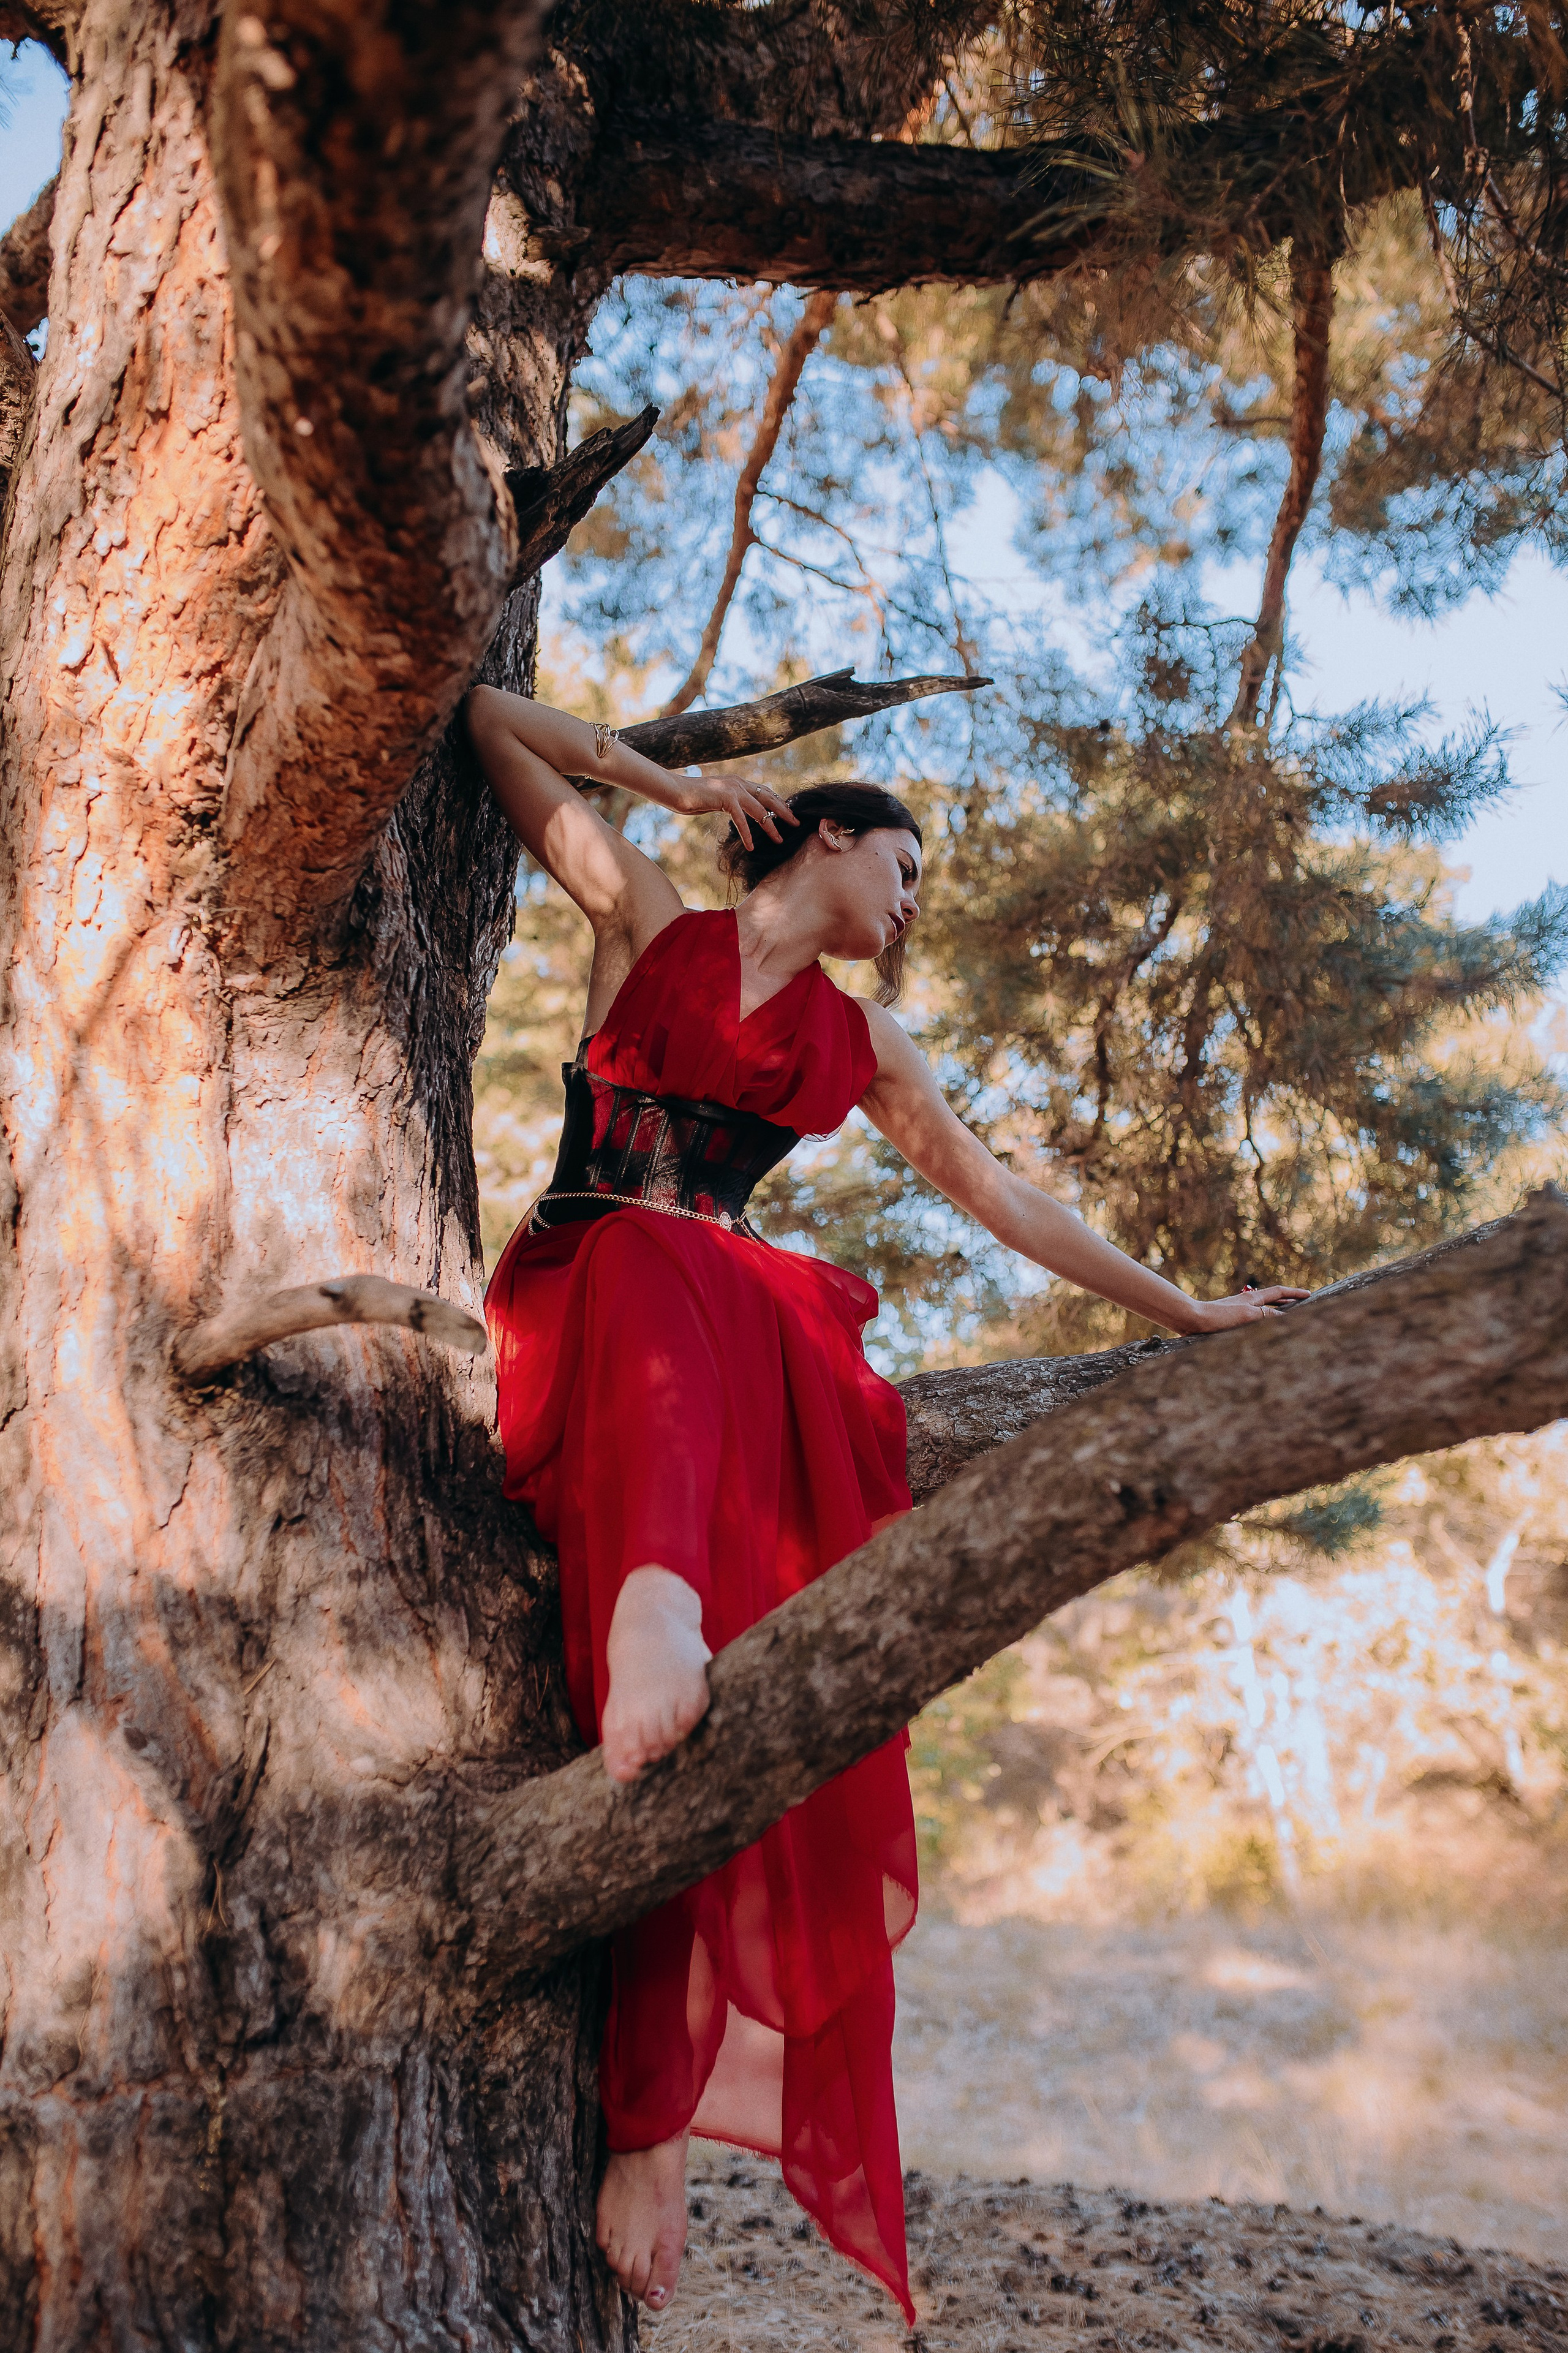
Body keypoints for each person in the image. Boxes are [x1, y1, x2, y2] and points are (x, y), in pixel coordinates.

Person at [467, 686, 1306, 2322]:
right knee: (668, 1251)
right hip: (589, 1295)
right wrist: (678, 786)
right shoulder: (645, 913)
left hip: (718, 1349)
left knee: (758, 1304)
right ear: (830, 836)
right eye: (904, 867)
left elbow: (1007, 1201)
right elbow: (494, 717)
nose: (913, 907)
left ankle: (654, 2118)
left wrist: (1189, 1316)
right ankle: (655, 1602)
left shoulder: (865, 1047)